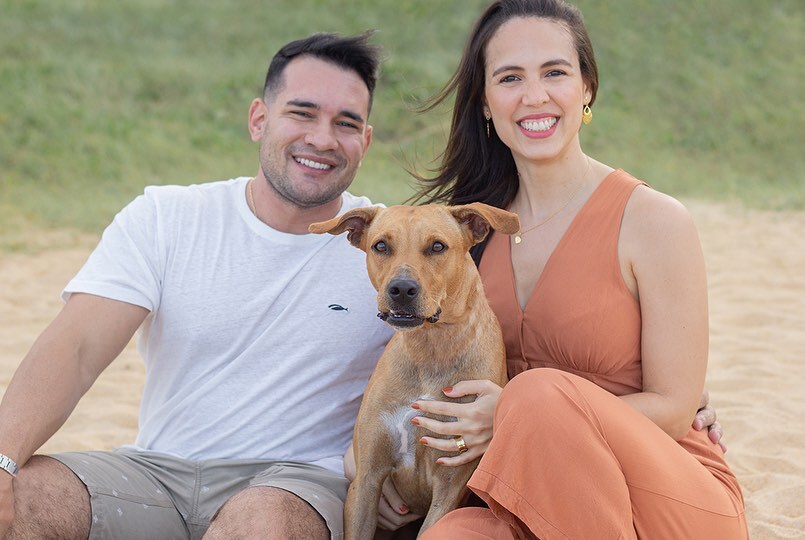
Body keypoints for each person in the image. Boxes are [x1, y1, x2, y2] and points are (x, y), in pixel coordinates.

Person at [0, 32, 394, 539]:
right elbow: (75, 348)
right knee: (24, 499)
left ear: (365, 141)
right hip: (155, 475)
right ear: (259, 119)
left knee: (262, 522)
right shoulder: (168, 217)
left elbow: (432, 372)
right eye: (302, 113)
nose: (322, 138)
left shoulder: (392, 245)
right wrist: (3, 459)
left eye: (346, 123)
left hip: (295, 486)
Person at [402, 0, 748, 537]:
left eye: (555, 72)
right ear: (486, 103)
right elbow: (414, 363)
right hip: (529, 488)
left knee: (538, 394)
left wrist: (512, 413)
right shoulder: (465, 234)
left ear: (586, 87)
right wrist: (370, 472)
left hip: (663, 492)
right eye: (510, 77)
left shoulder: (653, 220)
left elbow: (677, 409)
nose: (534, 95)